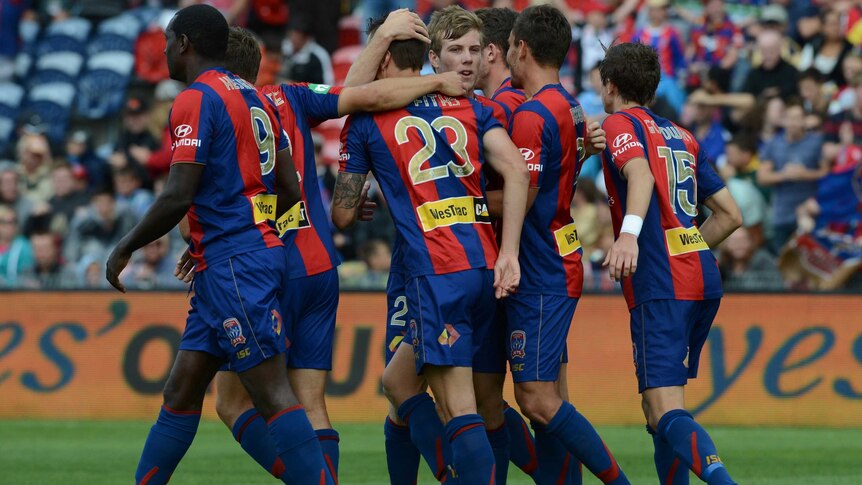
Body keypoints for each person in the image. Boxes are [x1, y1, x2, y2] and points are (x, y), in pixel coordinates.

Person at [178, 23, 468, 483]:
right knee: (311, 401)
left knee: (232, 403)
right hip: (319, 263)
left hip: (256, 268)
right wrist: (394, 47)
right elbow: (354, 95)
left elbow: (188, 198)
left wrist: (197, 242)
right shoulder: (289, 95)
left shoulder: (210, 111)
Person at [103, 5, 333, 485]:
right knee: (181, 392)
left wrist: (125, 245)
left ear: (184, 43)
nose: (162, 49)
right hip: (230, 260)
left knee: (272, 394)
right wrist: (245, 225)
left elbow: (177, 194)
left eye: (167, 40)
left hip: (234, 264)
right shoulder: (255, 97)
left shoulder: (196, 98)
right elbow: (289, 189)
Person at [332, 12, 530, 482]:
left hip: (434, 271)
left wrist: (362, 200)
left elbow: (341, 215)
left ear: (379, 60)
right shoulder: (473, 106)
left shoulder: (365, 120)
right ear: (427, 56)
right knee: (400, 383)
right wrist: (509, 254)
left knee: (459, 409)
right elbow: (519, 172)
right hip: (484, 265)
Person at [599, 41, 742, 485]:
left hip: (662, 283)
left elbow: (639, 174)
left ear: (611, 85)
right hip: (700, 277)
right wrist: (688, 244)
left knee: (664, 409)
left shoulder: (619, 122)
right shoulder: (683, 135)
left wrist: (629, 233)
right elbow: (731, 215)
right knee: (658, 407)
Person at [504, 6, 628, 485]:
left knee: (534, 396)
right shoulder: (570, 105)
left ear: (521, 49)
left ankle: (618, 481)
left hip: (540, 265)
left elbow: (526, 192)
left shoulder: (534, 115)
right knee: (550, 392)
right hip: (558, 253)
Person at [756, 100, 826, 253]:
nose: (793, 122)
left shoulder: (816, 142)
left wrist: (804, 174)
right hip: (781, 214)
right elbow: (762, 177)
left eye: (798, 118)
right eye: (790, 118)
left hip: (810, 211)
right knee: (784, 264)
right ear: (783, 120)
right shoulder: (773, 144)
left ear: (804, 121)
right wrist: (785, 175)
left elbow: (827, 173)